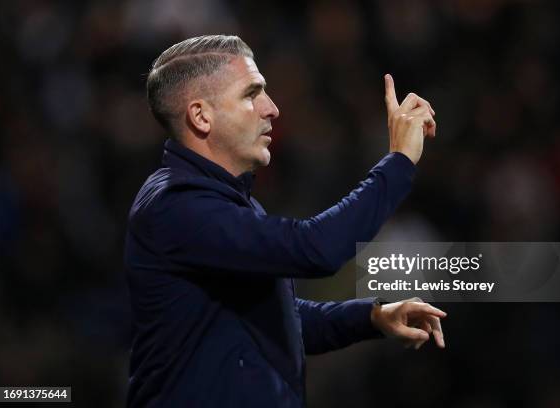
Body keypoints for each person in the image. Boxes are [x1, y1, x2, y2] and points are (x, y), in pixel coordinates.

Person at [124, 35, 445, 408]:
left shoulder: (225, 202)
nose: (272, 108)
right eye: (251, 94)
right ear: (201, 116)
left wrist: (371, 317)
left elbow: (275, 317)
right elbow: (315, 250)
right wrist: (399, 161)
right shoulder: (175, 205)